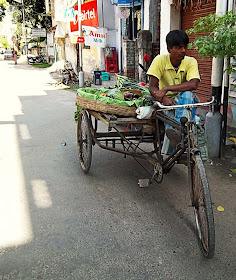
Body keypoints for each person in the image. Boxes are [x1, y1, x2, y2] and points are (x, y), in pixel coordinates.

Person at [147, 29, 200, 155]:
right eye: (178, 47)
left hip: (185, 101)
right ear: (169, 48)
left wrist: (166, 88)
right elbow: (152, 87)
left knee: (187, 95)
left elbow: (194, 84)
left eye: (184, 47)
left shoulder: (191, 61)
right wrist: (163, 97)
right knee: (172, 112)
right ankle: (174, 145)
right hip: (167, 102)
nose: (183, 51)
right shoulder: (160, 60)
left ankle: (176, 135)